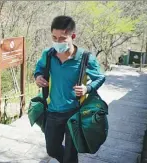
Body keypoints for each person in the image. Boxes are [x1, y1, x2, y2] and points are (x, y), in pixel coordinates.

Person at [34, 15, 105, 163]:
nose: (57, 42)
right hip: (52, 111)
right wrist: (38, 77)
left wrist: (88, 88)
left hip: (75, 113)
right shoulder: (48, 54)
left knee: (71, 154)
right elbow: (38, 69)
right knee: (52, 149)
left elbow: (100, 77)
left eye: (62, 38)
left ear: (73, 36)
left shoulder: (85, 57)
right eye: (54, 38)